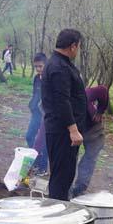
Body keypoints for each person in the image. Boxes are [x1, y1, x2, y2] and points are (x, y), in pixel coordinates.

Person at [41, 28, 87, 201]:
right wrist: (73, 130)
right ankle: (56, 210)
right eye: (78, 46)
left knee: (64, 175)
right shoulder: (58, 67)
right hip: (62, 132)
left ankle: (59, 206)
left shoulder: (61, 64)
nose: (78, 50)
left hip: (63, 131)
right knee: (61, 177)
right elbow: (62, 101)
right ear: (73, 46)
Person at [71, 85, 109, 197]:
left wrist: (100, 110)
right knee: (70, 158)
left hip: (93, 129)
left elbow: (102, 90)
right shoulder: (58, 102)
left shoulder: (85, 94)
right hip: (72, 130)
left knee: (89, 158)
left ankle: (79, 189)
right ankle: (66, 187)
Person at [26, 53, 48, 174]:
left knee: (44, 141)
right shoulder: (36, 78)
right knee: (29, 136)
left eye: (40, 66)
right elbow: (35, 94)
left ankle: (43, 167)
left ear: (46, 65)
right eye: (36, 66)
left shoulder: (49, 80)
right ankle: (37, 160)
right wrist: (32, 105)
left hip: (46, 115)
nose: (38, 69)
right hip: (36, 113)